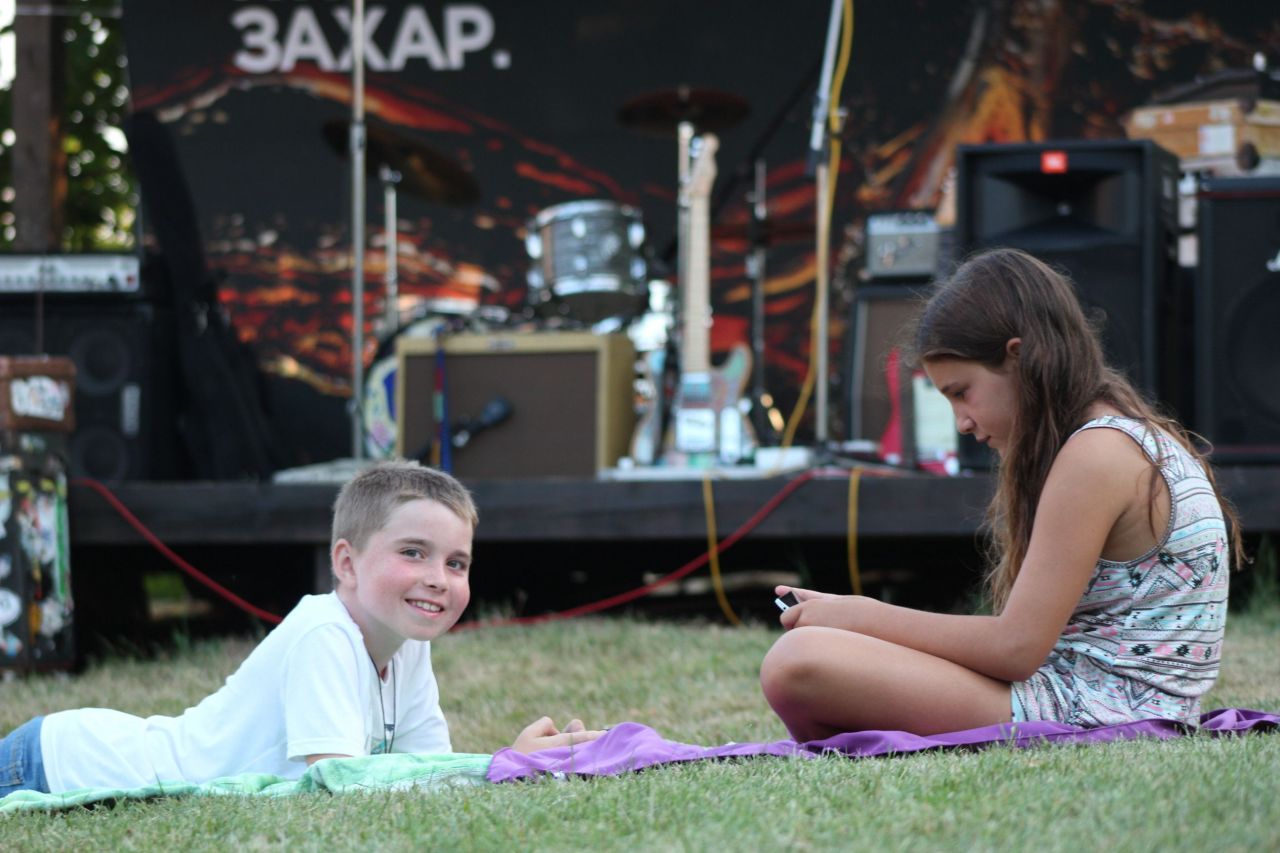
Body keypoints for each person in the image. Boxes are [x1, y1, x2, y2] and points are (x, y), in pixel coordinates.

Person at [760, 248, 1240, 741]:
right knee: (818, 653)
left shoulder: (1098, 452)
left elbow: (1016, 649)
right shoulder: (1113, 436)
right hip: (1083, 691)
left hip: (1105, 708)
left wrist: (861, 616)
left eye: (961, 392)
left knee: (798, 661)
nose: (962, 423)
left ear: (1020, 357)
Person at [0, 460, 600, 797]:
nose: (438, 578)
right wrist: (500, 765)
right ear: (346, 564)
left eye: (456, 563)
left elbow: (423, 774)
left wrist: (513, 767)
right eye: (413, 552)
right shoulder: (323, 632)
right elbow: (338, 782)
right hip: (57, 761)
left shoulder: (407, 646)